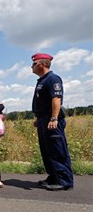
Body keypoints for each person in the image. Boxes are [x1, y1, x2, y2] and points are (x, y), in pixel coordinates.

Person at [31, 53, 74, 191]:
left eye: (34, 63)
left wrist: (54, 118)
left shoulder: (52, 79)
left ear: (42, 64)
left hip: (51, 119)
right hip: (44, 119)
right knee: (47, 150)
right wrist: (39, 119)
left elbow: (56, 99)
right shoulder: (43, 80)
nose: (31, 66)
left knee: (57, 150)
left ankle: (64, 181)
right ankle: (53, 177)